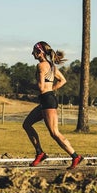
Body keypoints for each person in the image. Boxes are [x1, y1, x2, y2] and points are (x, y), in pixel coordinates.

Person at [23, 41, 84, 169]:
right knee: (27, 124)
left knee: (55, 133)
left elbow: (40, 87)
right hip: (48, 99)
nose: (32, 53)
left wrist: (28, 85)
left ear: (40, 52)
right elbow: (63, 80)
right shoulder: (51, 66)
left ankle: (75, 156)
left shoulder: (41, 66)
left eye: (34, 51)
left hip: (47, 101)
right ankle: (40, 153)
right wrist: (51, 90)